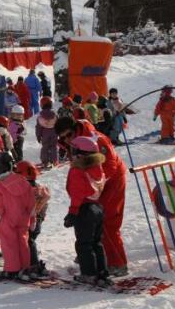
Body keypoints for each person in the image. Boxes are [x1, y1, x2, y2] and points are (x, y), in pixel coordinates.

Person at [57, 116, 129, 276]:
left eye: (68, 135)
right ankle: (91, 256)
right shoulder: (75, 143)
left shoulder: (95, 139)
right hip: (94, 185)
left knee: (106, 221)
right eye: (62, 138)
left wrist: (95, 184)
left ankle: (117, 262)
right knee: (89, 223)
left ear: (75, 128)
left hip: (111, 182)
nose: (66, 140)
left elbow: (110, 164)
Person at [65, 134, 110, 286]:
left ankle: (89, 274)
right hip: (97, 207)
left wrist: (72, 212)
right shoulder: (97, 168)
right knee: (96, 242)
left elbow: (77, 193)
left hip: (84, 209)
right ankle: (102, 271)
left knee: (84, 244)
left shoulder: (77, 171)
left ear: (80, 154)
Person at [0, 151, 34, 281]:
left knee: (9, 244)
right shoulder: (23, 181)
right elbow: (30, 202)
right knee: (22, 242)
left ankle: (12, 270)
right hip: (23, 218)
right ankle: (24, 267)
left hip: (7, 219)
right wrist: (32, 217)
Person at [17, 161, 52, 278]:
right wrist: (41, 218)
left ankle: (33, 265)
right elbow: (44, 207)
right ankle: (30, 262)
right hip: (38, 221)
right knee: (30, 241)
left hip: (28, 222)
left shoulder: (25, 191)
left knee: (28, 242)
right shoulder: (41, 189)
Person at [35, 97, 59, 169]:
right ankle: (53, 160)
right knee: (53, 147)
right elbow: (58, 123)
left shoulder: (40, 116)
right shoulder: (54, 114)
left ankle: (45, 161)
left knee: (45, 147)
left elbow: (38, 127)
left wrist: (38, 136)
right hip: (54, 132)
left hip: (45, 133)